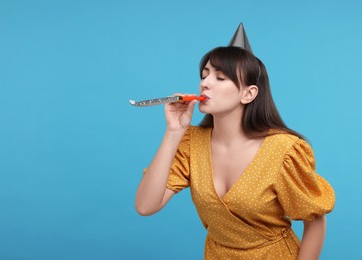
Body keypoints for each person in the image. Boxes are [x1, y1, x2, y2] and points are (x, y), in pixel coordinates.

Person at [135, 23, 335, 259]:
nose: (205, 83)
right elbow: (146, 206)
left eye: (221, 77)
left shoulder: (284, 150)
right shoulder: (191, 144)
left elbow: (315, 222)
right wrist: (173, 132)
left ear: (248, 94)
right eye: (204, 75)